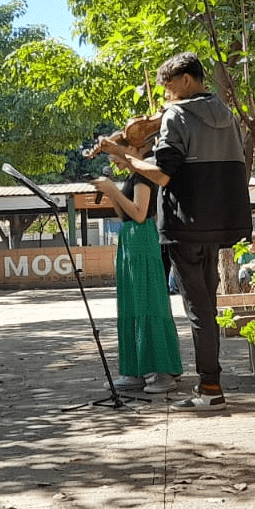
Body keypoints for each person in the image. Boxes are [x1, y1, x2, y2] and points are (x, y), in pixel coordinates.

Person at [95, 52, 252, 412]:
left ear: (186, 80)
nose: (165, 96)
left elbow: (163, 175)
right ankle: (210, 382)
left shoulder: (178, 116)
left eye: (168, 87)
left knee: (197, 308)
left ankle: (210, 389)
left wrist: (123, 153)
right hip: (218, 220)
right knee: (207, 306)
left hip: (185, 223)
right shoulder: (227, 115)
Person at [92, 139, 184, 395]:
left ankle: (162, 371)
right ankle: (137, 370)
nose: (113, 159)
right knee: (133, 305)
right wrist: (111, 192)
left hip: (142, 240)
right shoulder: (133, 176)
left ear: (133, 149)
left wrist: (113, 189)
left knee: (148, 304)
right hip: (131, 241)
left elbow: (140, 213)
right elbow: (124, 215)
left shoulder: (143, 174)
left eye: (116, 152)